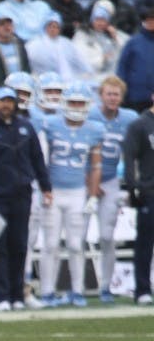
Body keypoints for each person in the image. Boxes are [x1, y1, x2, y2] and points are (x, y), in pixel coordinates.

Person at [0, 86, 52, 310]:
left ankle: (18, 295)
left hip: (21, 194)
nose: (6, 105)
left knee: (19, 246)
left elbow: (37, 158)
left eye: (10, 100)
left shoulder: (25, 128)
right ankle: (1, 296)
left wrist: (46, 187)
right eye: (2, 100)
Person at [37, 81, 104, 307]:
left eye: (80, 102)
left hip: (77, 192)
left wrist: (93, 195)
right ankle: (47, 291)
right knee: (51, 244)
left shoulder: (94, 129)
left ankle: (77, 290)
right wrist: (44, 189)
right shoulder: (51, 124)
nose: (76, 106)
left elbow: (96, 166)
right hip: (54, 191)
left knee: (76, 244)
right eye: (73, 101)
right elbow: (42, 160)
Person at [88, 75, 137, 302]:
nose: (112, 98)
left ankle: (106, 286)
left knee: (108, 236)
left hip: (110, 181)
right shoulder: (89, 115)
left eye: (116, 94)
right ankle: (77, 289)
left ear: (122, 97)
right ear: (101, 95)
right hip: (85, 180)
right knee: (76, 237)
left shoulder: (129, 119)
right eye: (108, 93)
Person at [122, 90, 154, 305]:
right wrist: (134, 188)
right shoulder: (140, 124)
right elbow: (130, 157)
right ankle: (142, 289)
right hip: (150, 192)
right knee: (145, 244)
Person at [27, 13, 92, 79]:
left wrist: (88, 72)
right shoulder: (35, 43)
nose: (53, 29)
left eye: (56, 27)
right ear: (45, 27)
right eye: (50, 26)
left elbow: (79, 59)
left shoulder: (66, 43)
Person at [73, 3, 127, 81]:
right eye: (97, 19)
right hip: (89, 78)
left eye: (103, 20)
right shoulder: (82, 35)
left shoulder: (112, 35)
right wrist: (102, 59)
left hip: (109, 78)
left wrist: (115, 38)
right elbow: (81, 59)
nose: (100, 23)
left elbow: (123, 54)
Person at [116, 8, 154, 113]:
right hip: (135, 96)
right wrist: (122, 91)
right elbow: (122, 66)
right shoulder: (133, 42)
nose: (151, 23)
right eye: (148, 20)